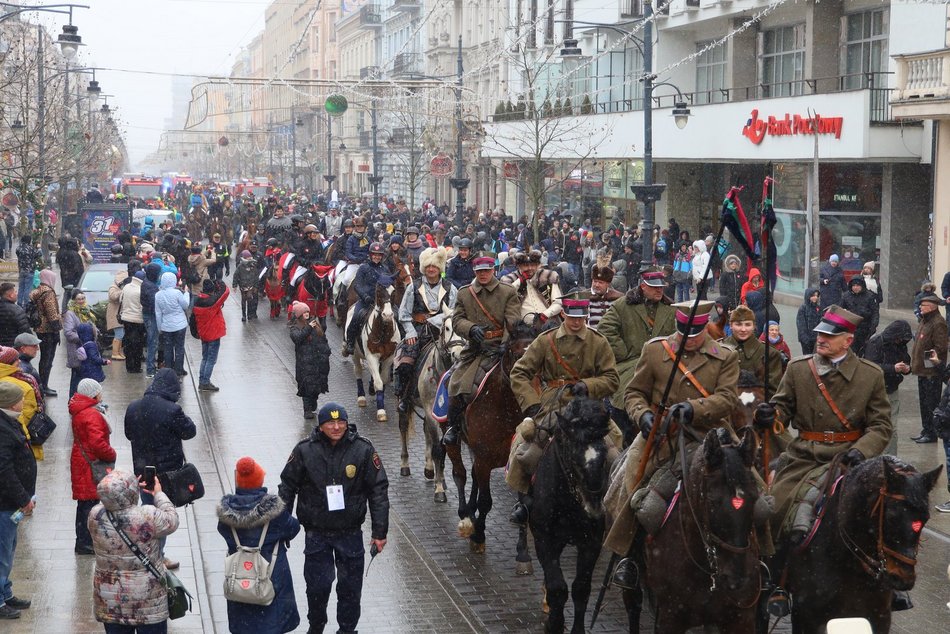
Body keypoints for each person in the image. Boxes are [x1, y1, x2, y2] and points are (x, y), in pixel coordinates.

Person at [760, 305, 892, 600]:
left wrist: (861, 451)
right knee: (775, 508)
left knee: (887, 516)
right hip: (804, 458)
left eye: (829, 335)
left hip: (850, 459)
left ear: (848, 340)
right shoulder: (798, 369)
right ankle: (775, 577)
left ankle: (887, 582)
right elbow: (783, 408)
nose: (821, 339)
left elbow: (881, 426)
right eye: (819, 333)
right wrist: (770, 414)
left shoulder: (870, 376)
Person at [606, 300, 740, 587]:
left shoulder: (725, 356)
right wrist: (641, 415)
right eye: (681, 333)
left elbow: (728, 399)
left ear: (705, 329)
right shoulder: (655, 351)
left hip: (710, 435)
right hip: (660, 435)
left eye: (693, 335)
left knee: (750, 487)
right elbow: (634, 392)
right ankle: (629, 556)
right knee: (631, 487)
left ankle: (761, 558)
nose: (686, 340)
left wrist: (694, 408)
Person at [506, 296, 621, 524]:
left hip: (589, 408)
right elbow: (519, 373)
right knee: (529, 452)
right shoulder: (546, 341)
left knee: (613, 453)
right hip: (554, 404)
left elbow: (612, 379)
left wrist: (588, 385)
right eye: (571, 317)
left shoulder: (598, 342)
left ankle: (611, 503)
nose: (576, 322)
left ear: (586, 317)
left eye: (581, 318)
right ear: (563, 315)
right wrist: (533, 404)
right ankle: (526, 501)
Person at [278, 403, 390, 634]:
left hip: (349, 532)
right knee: (317, 586)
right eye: (331, 422)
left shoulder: (363, 449)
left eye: (341, 422)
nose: (337, 427)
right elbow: (287, 488)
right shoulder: (304, 450)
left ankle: (347, 629)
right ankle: (316, 626)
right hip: (317, 533)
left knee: (350, 587)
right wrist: (282, 527)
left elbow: (378, 490)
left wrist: (379, 532)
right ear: (321, 426)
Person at [444, 254, 522, 446]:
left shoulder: (507, 292)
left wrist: (504, 343)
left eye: (487, 271)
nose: (483, 275)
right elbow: (456, 320)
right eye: (479, 272)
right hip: (477, 350)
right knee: (456, 383)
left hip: (503, 349)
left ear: (493, 270)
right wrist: (470, 329)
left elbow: (512, 319)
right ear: (474, 272)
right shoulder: (464, 293)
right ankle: (453, 427)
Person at [88, 469, 179, 633]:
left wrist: (126, 489)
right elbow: (172, 519)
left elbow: (110, 501)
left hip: (111, 603)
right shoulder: (147, 515)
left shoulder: (95, 516)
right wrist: (158, 494)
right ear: (130, 492)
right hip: (148, 602)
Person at [217, 457, 301, 634]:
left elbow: (223, 532)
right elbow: (293, 528)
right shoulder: (274, 513)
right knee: (271, 620)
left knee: (244, 621)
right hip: (271, 576)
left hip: (239, 577)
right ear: (259, 480)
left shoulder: (226, 514)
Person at [124, 368, 197, 570]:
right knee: (160, 515)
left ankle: (146, 552)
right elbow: (190, 431)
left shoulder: (134, 407)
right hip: (166, 473)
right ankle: (157, 557)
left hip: (143, 470)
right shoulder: (172, 410)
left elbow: (129, 434)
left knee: (147, 509)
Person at [597, 267, 676, 445]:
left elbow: (678, 336)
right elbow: (605, 329)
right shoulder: (623, 305)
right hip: (630, 364)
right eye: (654, 286)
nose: (659, 290)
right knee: (622, 397)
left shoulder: (670, 309)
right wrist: (623, 353)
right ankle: (623, 439)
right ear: (643, 286)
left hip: (663, 365)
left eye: (661, 287)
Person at [394, 247, 456, 413]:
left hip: (443, 330)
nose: (431, 269)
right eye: (428, 266)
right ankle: (405, 397)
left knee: (459, 358)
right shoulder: (413, 287)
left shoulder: (451, 288)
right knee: (406, 362)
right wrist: (410, 332)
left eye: (434, 266)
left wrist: (435, 320)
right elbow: (404, 314)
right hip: (419, 330)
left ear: (440, 268)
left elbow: (454, 311)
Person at [70, 378, 116, 556]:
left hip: (81, 461)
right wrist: (111, 454)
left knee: (84, 504)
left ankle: (83, 541)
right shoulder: (91, 415)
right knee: (88, 505)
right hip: (89, 465)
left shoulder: (81, 411)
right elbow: (98, 444)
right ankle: (85, 543)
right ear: (93, 394)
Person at [0, 382, 34, 620]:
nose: (24, 402)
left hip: (10, 503)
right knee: (2, 553)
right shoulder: (3, 429)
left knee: (8, 551)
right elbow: (4, 470)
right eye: (21, 399)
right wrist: (23, 498)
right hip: (5, 503)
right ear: (11, 403)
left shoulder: (8, 422)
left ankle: (5, 592)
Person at [864, 319, 913, 455]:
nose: (900, 342)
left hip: (892, 389)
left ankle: (890, 459)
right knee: (875, 426)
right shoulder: (876, 342)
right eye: (899, 339)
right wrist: (893, 368)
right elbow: (871, 366)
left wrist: (906, 368)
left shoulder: (900, 344)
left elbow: (906, 360)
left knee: (892, 428)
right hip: (876, 390)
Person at [911, 293, 947, 444]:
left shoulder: (938, 323)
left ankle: (931, 433)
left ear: (932, 307)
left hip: (931, 371)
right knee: (923, 404)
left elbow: (940, 348)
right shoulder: (924, 320)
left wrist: (929, 365)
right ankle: (925, 429)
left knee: (931, 404)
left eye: (923, 305)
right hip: (922, 370)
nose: (920, 307)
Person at [722, 305, 783, 389]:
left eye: (747, 325)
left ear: (754, 326)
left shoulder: (769, 353)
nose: (743, 329)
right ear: (731, 325)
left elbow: (773, 391)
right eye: (738, 324)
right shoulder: (719, 349)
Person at [342, 242, 387, 357]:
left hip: (382, 302)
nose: (377, 257)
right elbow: (357, 285)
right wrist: (365, 296)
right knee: (356, 317)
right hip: (366, 301)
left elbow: (389, 284)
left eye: (379, 255)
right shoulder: (363, 268)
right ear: (370, 255)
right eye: (374, 254)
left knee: (396, 316)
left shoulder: (385, 269)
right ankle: (350, 343)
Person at [289, 302, 331, 419]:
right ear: (299, 314)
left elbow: (323, 339)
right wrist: (308, 328)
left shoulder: (315, 324)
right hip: (304, 363)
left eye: (307, 311)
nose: (306, 314)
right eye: (304, 312)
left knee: (317, 386)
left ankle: (313, 404)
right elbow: (298, 338)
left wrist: (326, 353)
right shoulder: (295, 327)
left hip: (318, 362)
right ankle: (307, 410)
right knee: (307, 387)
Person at [499, 249, 563, 324]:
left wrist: (544, 315)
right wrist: (520, 281)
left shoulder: (548, 277)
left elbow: (558, 303)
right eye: (526, 265)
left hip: (548, 325)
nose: (529, 268)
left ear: (537, 265)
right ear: (519, 266)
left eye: (533, 265)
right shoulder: (510, 280)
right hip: (523, 329)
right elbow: (505, 296)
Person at [192, 279, 229, 392]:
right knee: (211, 359)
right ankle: (205, 382)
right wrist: (219, 282)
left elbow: (192, 320)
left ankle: (202, 380)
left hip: (203, 333)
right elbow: (225, 292)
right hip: (213, 333)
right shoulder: (212, 302)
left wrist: (195, 333)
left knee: (205, 358)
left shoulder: (197, 300)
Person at [63, 290, 99, 398]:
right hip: (77, 350)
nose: (81, 301)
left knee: (87, 377)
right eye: (79, 299)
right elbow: (68, 333)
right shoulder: (70, 314)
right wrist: (84, 339)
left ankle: (85, 400)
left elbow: (92, 326)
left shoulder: (87, 310)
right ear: (74, 300)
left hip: (88, 350)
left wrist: (95, 332)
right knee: (77, 377)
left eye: (83, 298)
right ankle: (73, 400)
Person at [30, 269, 59, 396]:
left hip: (40, 328)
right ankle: (44, 386)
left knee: (44, 358)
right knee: (48, 358)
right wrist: (57, 329)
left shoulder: (39, 290)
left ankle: (42, 384)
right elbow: (51, 312)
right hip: (48, 329)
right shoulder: (48, 292)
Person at [154, 272, 189, 377]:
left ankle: (169, 370)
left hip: (166, 325)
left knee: (168, 348)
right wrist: (186, 293)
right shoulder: (177, 293)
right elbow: (185, 305)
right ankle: (178, 370)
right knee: (179, 347)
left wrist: (159, 327)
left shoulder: (158, 295)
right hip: (180, 324)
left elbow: (158, 313)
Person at [841, 276, 879, 356]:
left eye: (858, 285)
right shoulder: (846, 296)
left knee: (864, 351)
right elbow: (841, 309)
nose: (855, 288)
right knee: (850, 350)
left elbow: (875, 312)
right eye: (854, 286)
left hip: (865, 328)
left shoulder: (869, 296)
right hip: (850, 328)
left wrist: (873, 325)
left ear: (862, 286)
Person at [120, 271, 146, 373]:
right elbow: (142, 306)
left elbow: (120, 299)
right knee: (137, 345)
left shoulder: (126, 287)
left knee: (128, 343)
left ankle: (129, 366)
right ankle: (136, 366)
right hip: (137, 320)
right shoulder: (140, 290)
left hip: (126, 319)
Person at [140, 262, 162, 378]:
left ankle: (151, 367)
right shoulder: (151, 286)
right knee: (152, 341)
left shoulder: (147, 282)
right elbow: (154, 304)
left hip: (148, 314)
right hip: (151, 316)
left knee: (152, 341)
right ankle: (150, 369)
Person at [587, 263, 623, 330]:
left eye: (600, 282)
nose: (597, 285)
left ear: (607, 284)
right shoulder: (584, 297)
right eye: (595, 281)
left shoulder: (617, 298)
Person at [233, 250, 261, 323]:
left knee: (249, 300)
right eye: (248, 257)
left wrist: (256, 286)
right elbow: (235, 276)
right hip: (243, 286)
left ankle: (249, 314)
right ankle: (243, 315)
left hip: (251, 286)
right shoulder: (240, 266)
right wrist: (234, 285)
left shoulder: (253, 266)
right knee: (243, 301)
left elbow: (256, 277)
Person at [106, 270, 128, 361]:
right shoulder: (113, 287)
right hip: (114, 314)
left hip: (119, 314)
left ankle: (118, 352)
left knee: (121, 334)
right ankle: (115, 353)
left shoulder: (119, 287)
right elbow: (113, 296)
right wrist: (122, 292)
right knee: (119, 334)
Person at [0, 282, 30, 348]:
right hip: (13, 349)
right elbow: (25, 332)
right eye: (15, 292)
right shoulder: (17, 310)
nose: (17, 294)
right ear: (11, 295)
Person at [14, 235, 38, 309]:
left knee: (21, 287)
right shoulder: (31, 248)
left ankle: (19, 303)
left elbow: (18, 254)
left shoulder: (18, 248)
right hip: (29, 271)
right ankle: (26, 304)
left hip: (21, 270)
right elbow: (38, 254)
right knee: (28, 288)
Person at [796, 288, 822, 355]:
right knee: (807, 357)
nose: (815, 297)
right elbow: (801, 324)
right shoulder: (803, 308)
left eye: (817, 296)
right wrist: (805, 339)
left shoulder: (818, 308)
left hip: (816, 339)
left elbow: (820, 322)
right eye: (813, 296)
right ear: (808, 296)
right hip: (806, 339)